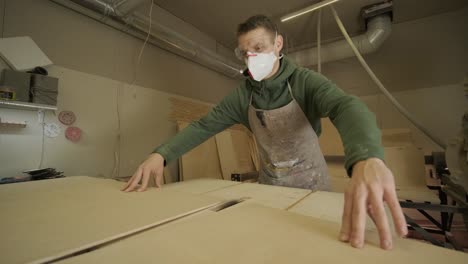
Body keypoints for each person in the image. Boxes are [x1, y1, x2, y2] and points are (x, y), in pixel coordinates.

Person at [122, 15, 408, 250]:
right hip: (269, 188)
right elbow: (203, 126)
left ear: (278, 44)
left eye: (259, 48)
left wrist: (367, 157)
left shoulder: (304, 82)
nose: (252, 57)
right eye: (245, 52)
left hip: (314, 187)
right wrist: (162, 154)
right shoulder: (242, 97)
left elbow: (347, 106)